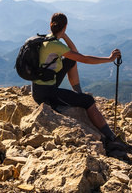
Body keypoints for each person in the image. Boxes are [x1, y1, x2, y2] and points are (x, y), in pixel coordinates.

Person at [31, 12, 121, 143]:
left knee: (70, 61)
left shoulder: (46, 39)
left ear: (50, 25)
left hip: (40, 86)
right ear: (65, 27)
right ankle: (111, 137)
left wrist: (63, 35)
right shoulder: (55, 45)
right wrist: (109, 59)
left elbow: (74, 55)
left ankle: (78, 94)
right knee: (88, 101)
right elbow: (84, 59)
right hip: (46, 93)